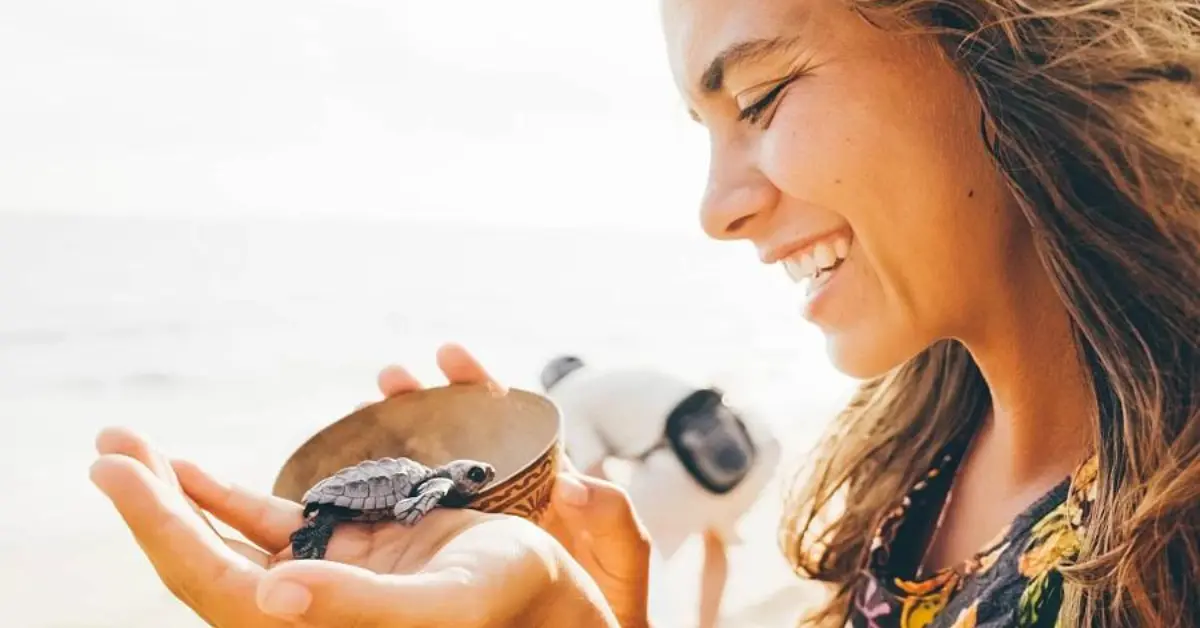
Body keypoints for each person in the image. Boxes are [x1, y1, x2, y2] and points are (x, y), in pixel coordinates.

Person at [90, 1, 1199, 627]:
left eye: (760, 98)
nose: (717, 207)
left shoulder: (1171, 528)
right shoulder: (915, 455)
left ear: (1004, 40)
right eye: (701, 128)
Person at [539, 355, 783, 628]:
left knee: (622, 554)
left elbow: (595, 479)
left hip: (678, 471)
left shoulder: (564, 401)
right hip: (747, 452)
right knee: (715, 538)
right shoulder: (618, 374)